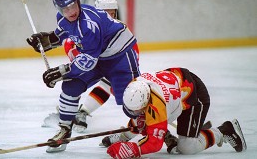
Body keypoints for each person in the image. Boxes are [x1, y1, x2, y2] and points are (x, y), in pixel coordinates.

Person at [26, 0, 140, 153]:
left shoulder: (89, 26)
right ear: (58, 10)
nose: (70, 11)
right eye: (65, 9)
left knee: (132, 101)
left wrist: (60, 72)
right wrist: (47, 40)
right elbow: (62, 35)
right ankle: (64, 130)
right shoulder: (66, 20)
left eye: (72, 6)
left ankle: (155, 129)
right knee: (70, 86)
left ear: (78, 2)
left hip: (120, 57)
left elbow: (88, 61)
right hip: (99, 56)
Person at [103, 68, 247, 158]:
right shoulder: (135, 87)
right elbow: (139, 117)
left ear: (146, 102)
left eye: (138, 110)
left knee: (187, 147)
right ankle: (158, 133)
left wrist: (132, 149)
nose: (134, 113)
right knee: (144, 121)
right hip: (178, 86)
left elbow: (154, 144)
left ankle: (224, 130)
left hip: (195, 96)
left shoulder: (156, 107)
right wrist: (127, 135)